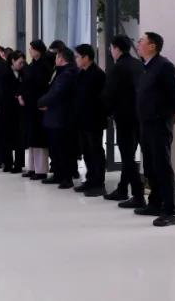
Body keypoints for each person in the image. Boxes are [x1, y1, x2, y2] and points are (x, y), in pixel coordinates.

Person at [134, 32, 175, 228]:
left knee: (162, 166)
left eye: (141, 41)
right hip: (146, 123)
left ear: (152, 46)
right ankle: (155, 203)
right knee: (150, 165)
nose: (138, 44)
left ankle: (170, 210)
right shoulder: (146, 67)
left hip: (159, 122)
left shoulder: (164, 66)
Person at [103, 35, 146, 207]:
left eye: (111, 48)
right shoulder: (139, 64)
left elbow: (109, 93)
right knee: (131, 153)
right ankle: (122, 188)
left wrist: (106, 111)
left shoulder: (117, 68)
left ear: (117, 49)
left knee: (127, 156)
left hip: (124, 117)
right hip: (140, 116)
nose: (110, 51)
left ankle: (138, 195)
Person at [39, 47, 79, 188]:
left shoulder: (67, 74)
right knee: (56, 148)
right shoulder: (62, 72)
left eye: (57, 57)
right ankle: (58, 174)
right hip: (57, 116)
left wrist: (42, 102)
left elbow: (57, 93)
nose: (55, 59)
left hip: (61, 117)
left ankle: (66, 177)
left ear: (61, 58)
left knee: (63, 149)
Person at [74, 44, 107, 197]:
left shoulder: (98, 74)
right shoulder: (82, 73)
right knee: (86, 150)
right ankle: (90, 178)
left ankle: (99, 182)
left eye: (78, 57)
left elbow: (101, 100)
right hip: (82, 119)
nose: (76, 60)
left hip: (94, 120)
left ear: (86, 58)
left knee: (95, 150)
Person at [21, 41, 54, 181]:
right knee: (31, 137)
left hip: (38, 106)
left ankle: (41, 170)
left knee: (39, 138)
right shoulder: (32, 65)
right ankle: (32, 167)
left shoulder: (44, 66)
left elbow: (41, 86)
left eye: (33, 49)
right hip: (30, 105)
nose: (30, 51)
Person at [0, 50, 27, 173]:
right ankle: (8, 163)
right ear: (13, 61)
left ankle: (19, 164)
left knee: (19, 137)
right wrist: (16, 95)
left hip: (19, 110)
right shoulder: (4, 73)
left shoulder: (23, 73)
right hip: (7, 109)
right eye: (20, 62)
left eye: (23, 63)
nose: (21, 65)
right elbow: (3, 91)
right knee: (7, 136)